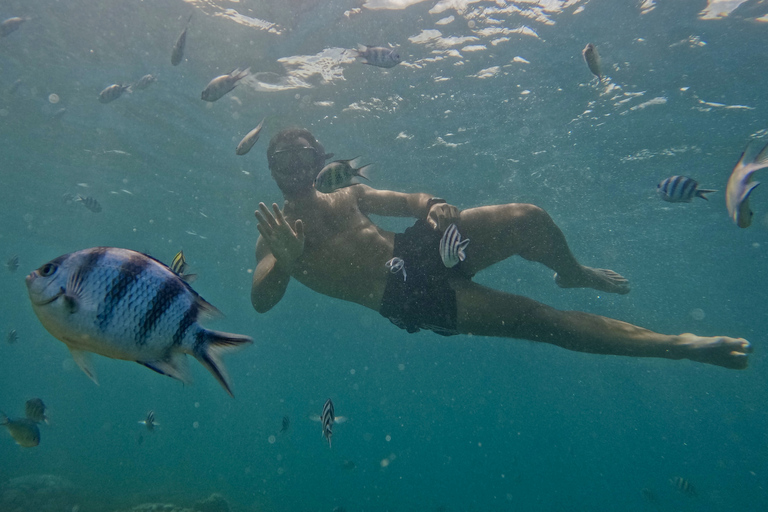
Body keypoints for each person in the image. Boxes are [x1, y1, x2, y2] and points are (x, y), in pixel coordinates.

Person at [251, 127, 751, 370]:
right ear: (271, 169)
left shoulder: (350, 193)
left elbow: (412, 199)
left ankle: (573, 270)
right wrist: (287, 263)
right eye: (281, 158)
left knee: (528, 219)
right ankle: (677, 345)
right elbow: (261, 298)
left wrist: (436, 205)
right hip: (404, 296)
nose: (292, 165)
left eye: (302, 155)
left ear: (319, 159)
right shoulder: (273, 233)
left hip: (418, 246)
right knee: (541, 320)